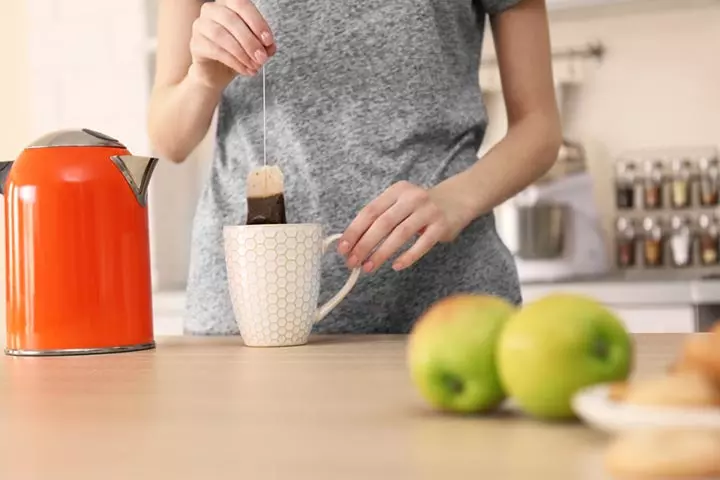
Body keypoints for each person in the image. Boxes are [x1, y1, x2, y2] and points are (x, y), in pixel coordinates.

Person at [148, 0, 561, 335]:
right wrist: (202, 79)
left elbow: (539, 127)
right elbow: (170, 139)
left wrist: (456, 199)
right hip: (249, 308)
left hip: (446, 304)